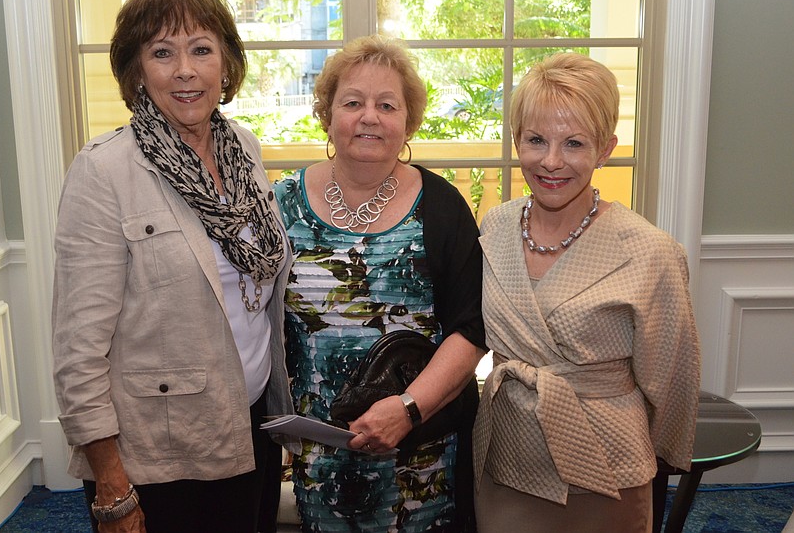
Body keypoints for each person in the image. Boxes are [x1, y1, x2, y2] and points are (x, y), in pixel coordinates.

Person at [51, 0, 294, 533]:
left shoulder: (244, 149)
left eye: (202, 49)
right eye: (162, 52)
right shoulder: (104, 172)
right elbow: (78, 351)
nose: (185, 70)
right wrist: (112, 487)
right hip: (159, 452)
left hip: (251, 423)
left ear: (227, 65)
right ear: (136, 71)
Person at [473, 52, 701, 532]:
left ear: (605, 149)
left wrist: (656, 457)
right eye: (536, 139)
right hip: (508, 458)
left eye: (574, 143)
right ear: (517, 142)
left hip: (605, 470)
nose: (551, 161)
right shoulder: (493, 227)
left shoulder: (650, 251)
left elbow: (672, 378)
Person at [273, 35, 487, 532]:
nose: (369, 116)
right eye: (352, 102)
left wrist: (408, 410)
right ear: (327, 115)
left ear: (407, 122)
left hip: (420, 454)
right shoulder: (279, 205)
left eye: (386, 105)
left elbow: (472, 328)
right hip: (318, 454)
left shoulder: (442, 206)